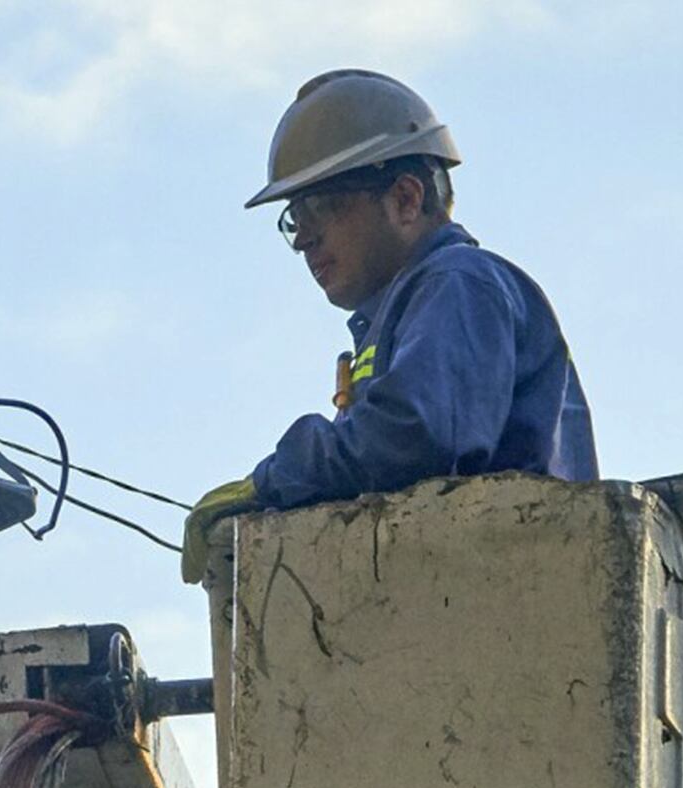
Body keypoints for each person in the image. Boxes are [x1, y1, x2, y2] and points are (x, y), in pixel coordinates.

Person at [181, 69, 599, 583]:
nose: (304, 239)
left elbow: (418, 434)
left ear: (405, 199)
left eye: (321, 207)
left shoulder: (459, 283)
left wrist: (274, 481)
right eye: (294, 219)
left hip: (505, 593)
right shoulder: (408, 311)